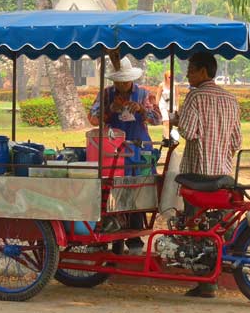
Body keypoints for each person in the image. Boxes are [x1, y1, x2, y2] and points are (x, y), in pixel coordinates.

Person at [170, 52, 242, 298]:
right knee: (219, 226)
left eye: (190, 69)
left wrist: (176, 121)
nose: (187, 74)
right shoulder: (231, 99)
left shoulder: (196, 95)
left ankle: (206, 282)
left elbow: (188, 132)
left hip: (198, 176)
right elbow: (236, 141)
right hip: (223, 174)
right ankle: (218, 271)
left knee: (195, 227)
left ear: (203, 72)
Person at [88, 56, 162, 254]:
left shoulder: (144, 94)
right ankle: (105, 238)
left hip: (137, 151)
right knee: (109, 193)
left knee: (135, 195)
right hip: (111, 151)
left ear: (131, 79)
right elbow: (93, 119)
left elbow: (158, 119)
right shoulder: (106, 95)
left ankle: (135, 241)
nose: (121, 85)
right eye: (117, 82)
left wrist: (142, 110)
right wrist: (108, 111)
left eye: (124, 81)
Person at [156, 70, 179, 139]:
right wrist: (156, 107)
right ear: (166, 77)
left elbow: (177, 96)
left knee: (171, 122)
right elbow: (158, 96)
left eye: (172, 77)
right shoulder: (161, 85)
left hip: (172, 105)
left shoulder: (175, 85)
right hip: (163, 105)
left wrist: (177, 107)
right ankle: (166, 138)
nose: (171, 78)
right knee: (166, 121)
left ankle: (168, 136)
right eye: (169, 77)